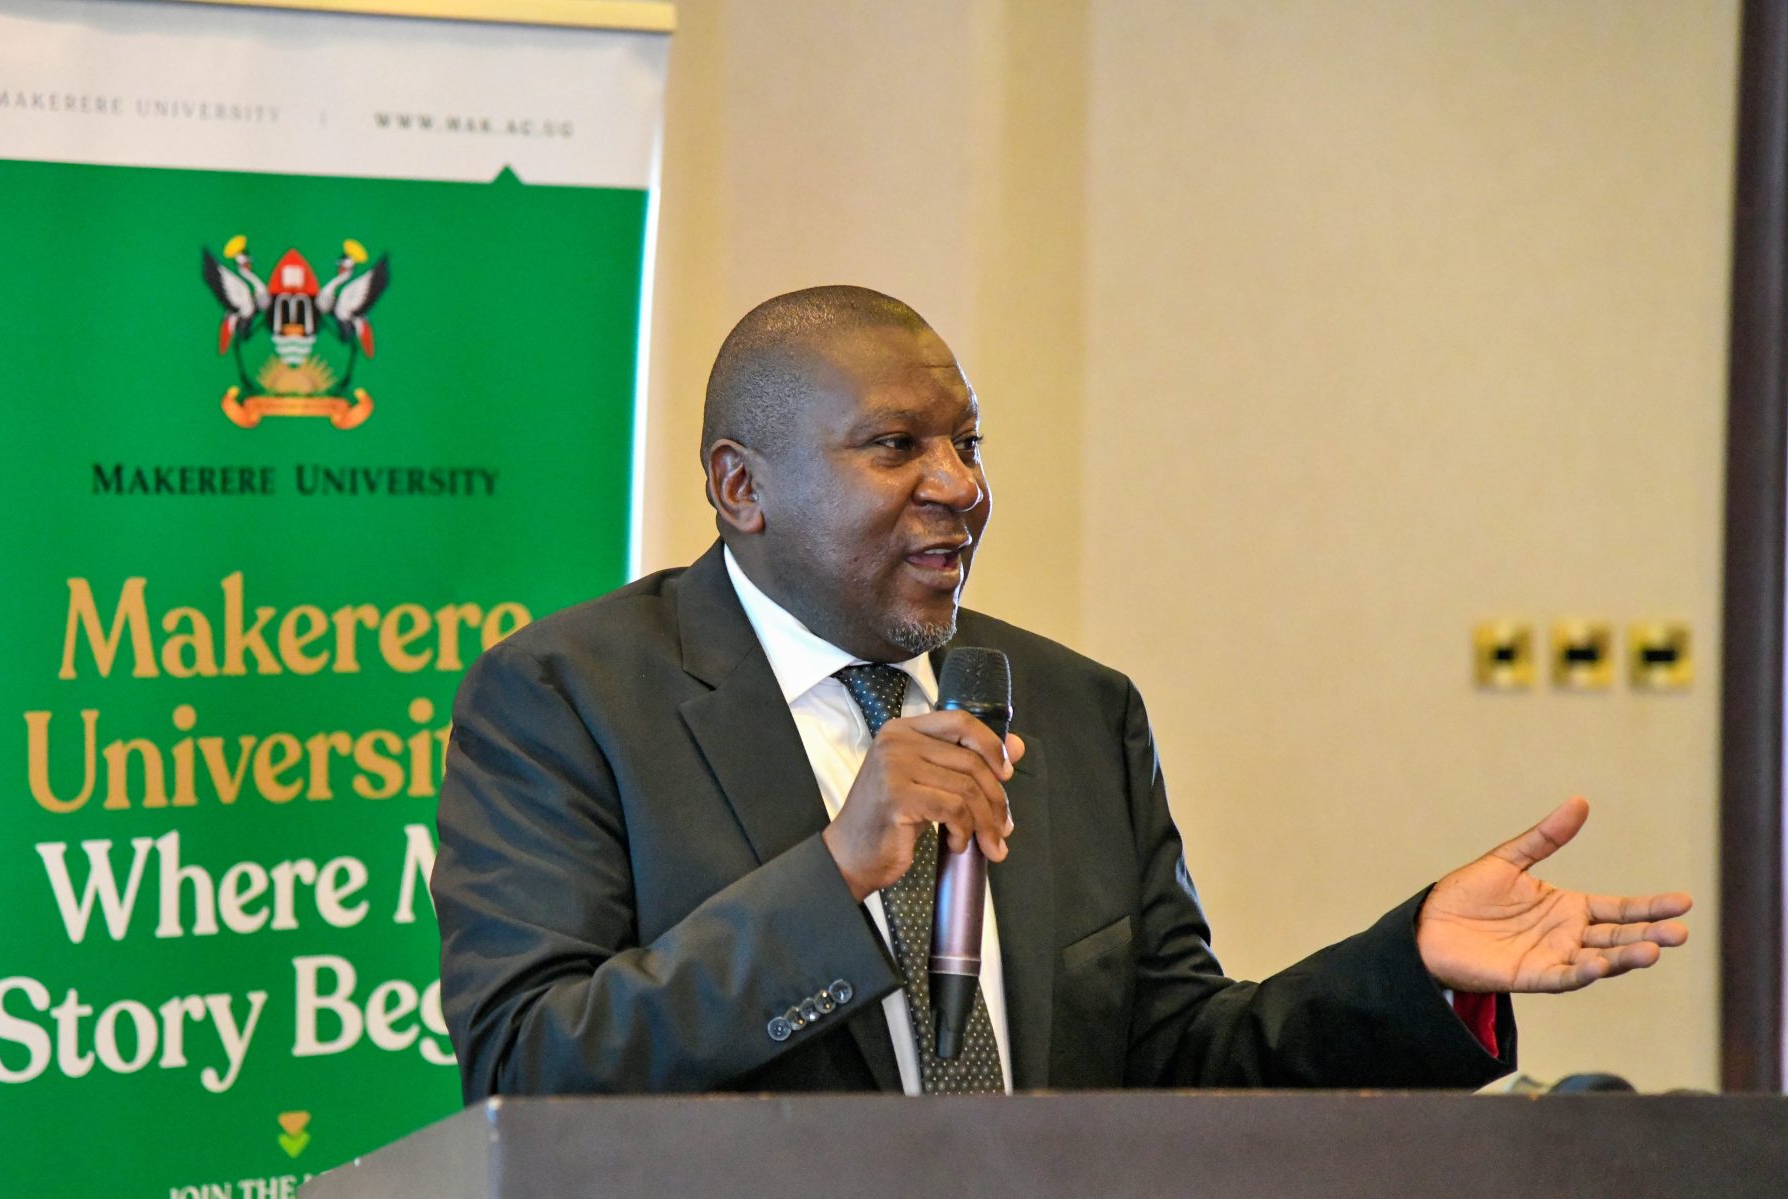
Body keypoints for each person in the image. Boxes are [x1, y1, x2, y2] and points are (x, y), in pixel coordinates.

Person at [430, 285, 1691, 1100]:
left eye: (966, 442)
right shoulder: (570, 697)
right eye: (896, 446)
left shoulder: (1075, 709)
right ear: (739, 487)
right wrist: (838, 871)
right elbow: (525, 1063)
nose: (959, 486)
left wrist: (1409, 970)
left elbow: (1176, 1061)